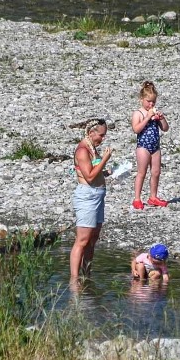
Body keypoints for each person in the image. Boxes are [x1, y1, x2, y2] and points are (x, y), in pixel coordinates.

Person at [70, 118, 113, 281]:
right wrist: (104, 159)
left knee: (93, 238)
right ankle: (74, 280)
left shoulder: (92, 148)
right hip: (87, 196)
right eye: (101, 135)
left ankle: (87, 273)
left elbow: (95, 171)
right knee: (82, 239)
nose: (103, 139)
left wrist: (106, 172)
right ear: (91, 133)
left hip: (98, 195)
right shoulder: (82, 150)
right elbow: (88, 176)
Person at [131, 81, 170, 209]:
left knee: (156, 172)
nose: (151, 104)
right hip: (143, 146)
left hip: (155, 146)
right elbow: (136, 129)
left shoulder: (154, 112)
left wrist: (161, 118)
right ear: (141, 99)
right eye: (148, 101)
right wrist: (147, 118)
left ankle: (153, 196)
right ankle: (137, 198)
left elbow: (165, 128)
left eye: (153, 101)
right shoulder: (139, 113)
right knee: (141, 172)